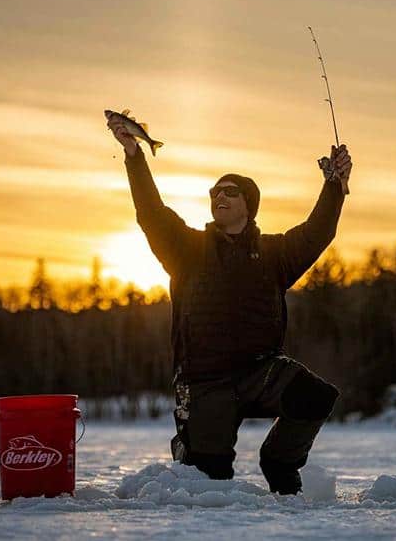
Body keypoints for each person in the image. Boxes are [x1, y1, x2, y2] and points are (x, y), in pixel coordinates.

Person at [107, 113, 351, 495]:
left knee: (314, 397)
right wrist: (134, 155)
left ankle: (280, 461)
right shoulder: (186, 249)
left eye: (230, 191)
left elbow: (317, 232)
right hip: (205, 381)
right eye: (215, 193)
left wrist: (335, 186)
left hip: (260, 373)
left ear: (248, 205)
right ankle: (195, 456)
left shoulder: (274, 254)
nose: (219, 196)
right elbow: (151, 214)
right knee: (208, 484)